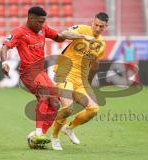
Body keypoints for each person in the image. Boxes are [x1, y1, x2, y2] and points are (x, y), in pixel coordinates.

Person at [0, 6, 95, 149]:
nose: (42, 24)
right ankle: (38, 133)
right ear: (30, 19)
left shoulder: (43, 29)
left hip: (41, 71)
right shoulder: (19, 32)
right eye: (39, 21)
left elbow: (60, 37)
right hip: (28, 72)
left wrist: (81, 36)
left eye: (44, 21)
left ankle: (38, 136)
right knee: (44, 95)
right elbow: (5, 47)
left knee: (55, 103)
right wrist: (4, 62)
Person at [51, 12, 108, 150]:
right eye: (96, 25)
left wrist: (88, 83)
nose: (98, 28)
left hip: (80, 80)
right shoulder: (82, 29)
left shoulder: (101, 44)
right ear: (92, 22)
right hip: (64, 74)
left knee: (93, 109)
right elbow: (64, 34)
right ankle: (54, 137)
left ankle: (69, 128)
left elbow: (94, 65)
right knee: (67, 108)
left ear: (105, 27)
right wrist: (83, 36)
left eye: (101, 26)